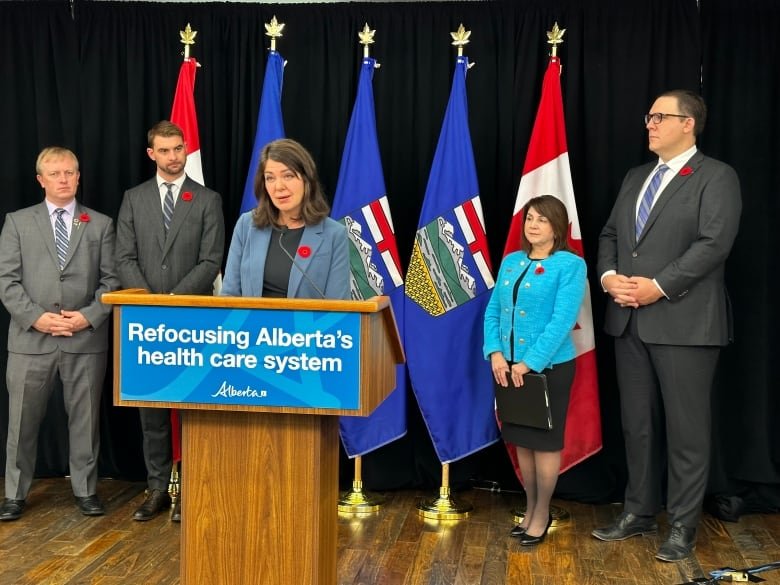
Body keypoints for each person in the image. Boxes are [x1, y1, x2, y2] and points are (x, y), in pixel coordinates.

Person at [593, 89, 741, 562]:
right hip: (629, 321)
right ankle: (638, 512)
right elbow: (612, 234)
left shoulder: (716, 177)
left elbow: (713, 244)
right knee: (637, 426)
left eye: (660, 117)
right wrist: (610, 276)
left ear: (688, 123)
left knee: (686, 431)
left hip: (685, 323)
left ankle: (682, 524)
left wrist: (658, 285)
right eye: (649, 117)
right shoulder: (636, 176)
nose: (650, 124)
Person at [0, 147, 119, 521]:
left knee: (85, 419)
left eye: (70, 172)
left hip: (84, 339)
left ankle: (85, 490)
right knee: (21, 421)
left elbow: (112, 282)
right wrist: (37, 318)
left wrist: (87, 317)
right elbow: (8, 282)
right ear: (41, 180)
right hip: (30, 341)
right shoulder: (18, 222)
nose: (64, 179)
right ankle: (15, 495)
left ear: (79, 176)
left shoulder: (100, 224)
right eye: (55, 174)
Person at [115, 120, 225, 523]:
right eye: (164, 150)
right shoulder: (133, 198)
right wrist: (150, 303)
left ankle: (193, 492)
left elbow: (211, 260)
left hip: (193, 320)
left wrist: (174, 300)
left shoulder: (208, 199)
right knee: (152, 413)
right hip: (145, 323)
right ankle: (158, 490)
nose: (173, 156)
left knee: (193, 410)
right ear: (152, 154)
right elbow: (123, 257)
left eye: (178, 149)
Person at [483, 194, 586, 546]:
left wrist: (529, 363)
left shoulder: (570, 265)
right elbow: (493, 310)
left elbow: (562, 320)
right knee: (522, 442)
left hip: (546, 369)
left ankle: (542, 514)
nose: (533, 225)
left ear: (557, 227)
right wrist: (495, 352)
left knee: (543, 443)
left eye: (541, 219)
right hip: (507, 369)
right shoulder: (511, 262)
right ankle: (528, 509)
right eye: (529, 218)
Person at [221, 138, 349, 300]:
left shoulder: (334, 234)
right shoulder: (247, 225)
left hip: (307, 325)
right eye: (270, 178)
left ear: (306, 179)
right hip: (251, 324)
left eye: (288, 176)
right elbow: (230, 295)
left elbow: (338, 306)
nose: (278, 186)